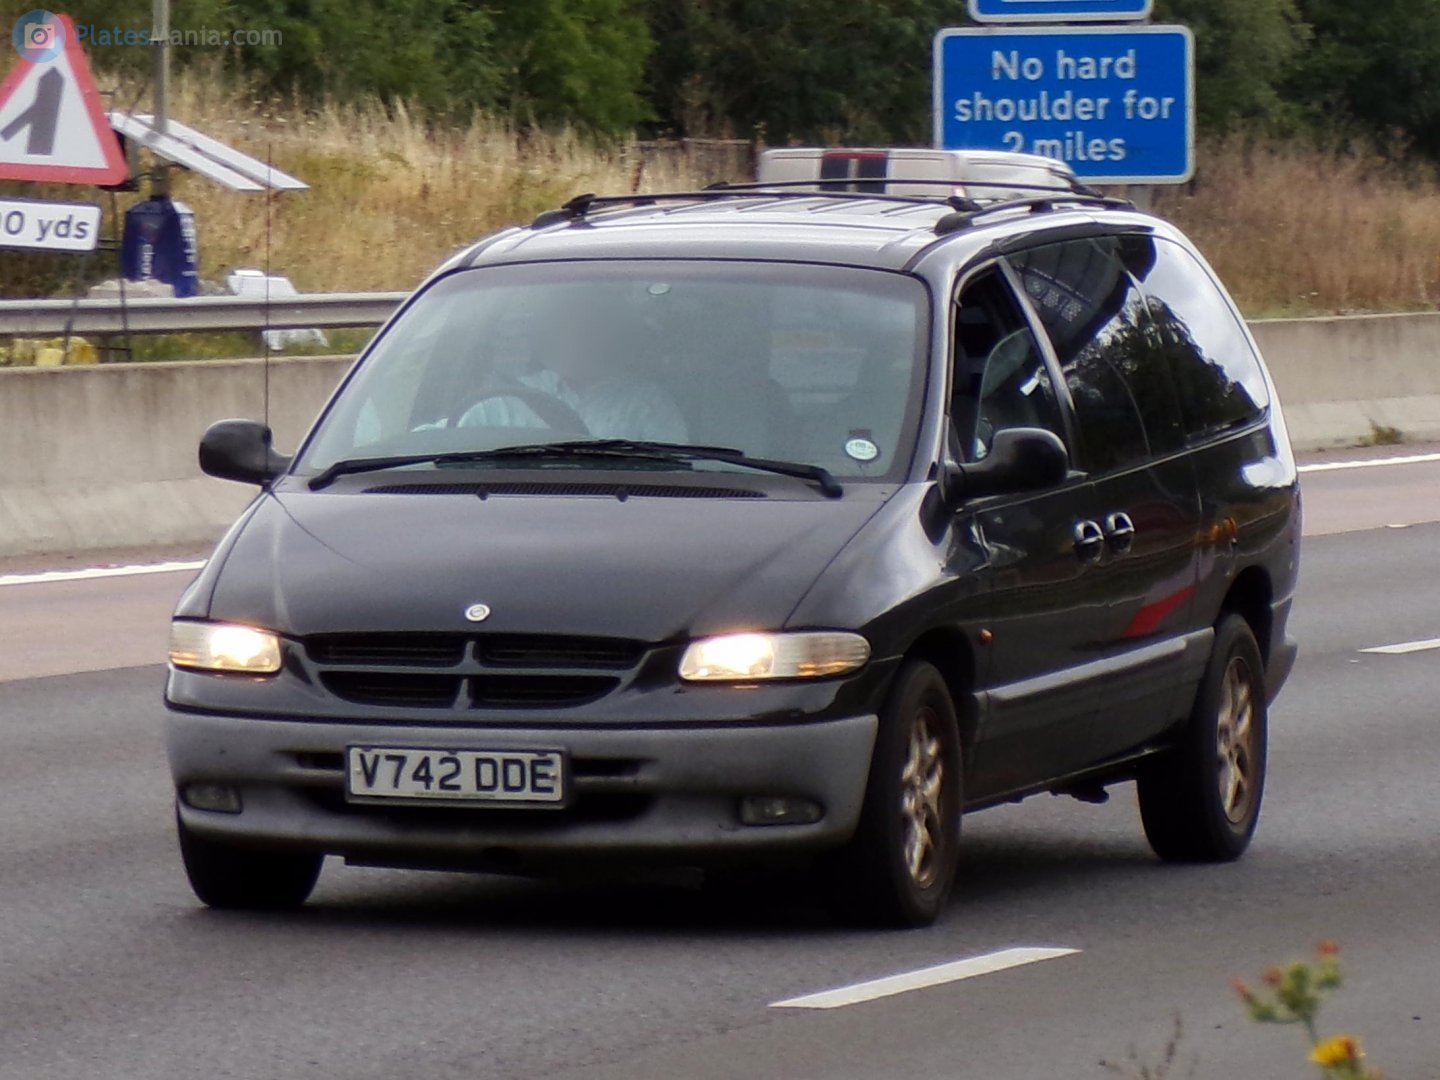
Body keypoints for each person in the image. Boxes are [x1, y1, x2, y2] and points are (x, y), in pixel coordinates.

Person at [458, 306, 688, 442]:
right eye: (561, 329)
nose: (574, 341)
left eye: (587, 329)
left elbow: (676, 475)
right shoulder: (505, 400)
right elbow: (439, 441)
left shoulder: (646, 404)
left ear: (612, 337)